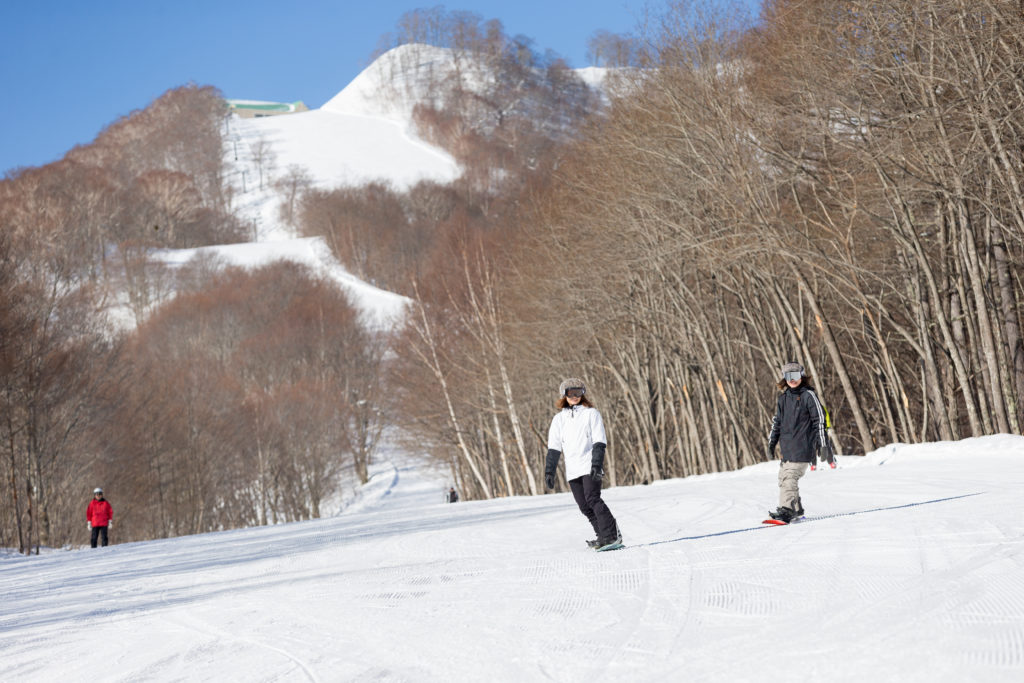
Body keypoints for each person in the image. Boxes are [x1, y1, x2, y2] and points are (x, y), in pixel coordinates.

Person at [544, 378, 622, 550]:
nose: (574, 396)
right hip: (572, 469)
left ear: (583, 394)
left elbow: (599, 440)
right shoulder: (559, 420)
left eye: (578, 392)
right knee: (584, 506)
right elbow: (554, 447)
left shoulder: (591, 413)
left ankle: (612, 535)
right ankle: (602, 536)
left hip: (589, 464)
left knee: (593, 498)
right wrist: (549, 472)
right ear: (564, 395)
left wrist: (596, 464)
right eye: (570, 393)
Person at [766, 361, 833, 523]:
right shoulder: (783, 399)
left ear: (802, 376)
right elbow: (777, 422)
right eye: (788, 376)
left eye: (795, 375)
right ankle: (796, 509)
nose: (792, 379)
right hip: (788, 448)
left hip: (803, 447)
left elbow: (820, 421)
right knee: (783, 478)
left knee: (790, 478)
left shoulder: (808, 396)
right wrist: (772, 442)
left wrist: (823, 444)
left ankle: (786, 510)